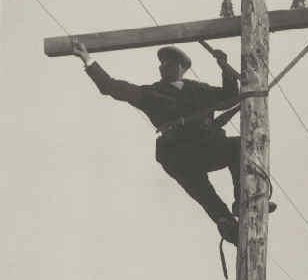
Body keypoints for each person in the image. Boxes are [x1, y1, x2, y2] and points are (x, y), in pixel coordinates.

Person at [71, 39, 272, 247]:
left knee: (239, 147)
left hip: (204, 148)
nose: (162, 67)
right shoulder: (151, 93)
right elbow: (110, 86)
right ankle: (229, 224)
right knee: (205, 194)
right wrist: (87, 58)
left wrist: (224, 68)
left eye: (168, 63)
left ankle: (240, 208)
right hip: (177, 155)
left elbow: (230, 97)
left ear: (181, 67)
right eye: (161, 64)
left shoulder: (201, 91)